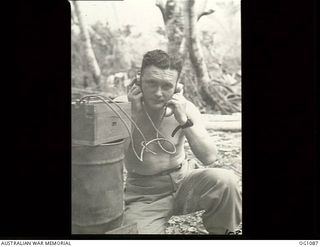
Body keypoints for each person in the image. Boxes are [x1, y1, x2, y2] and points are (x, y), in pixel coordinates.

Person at [120, 49, 241, 234]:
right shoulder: (120, 108)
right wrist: (134, 115)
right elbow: (109, 160)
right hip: (144, 194)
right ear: (138, 80)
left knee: (226, 181)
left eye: (167, 85)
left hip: (184, 180)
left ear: (177, 87)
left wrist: (183, 120)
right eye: (151, 83)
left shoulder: (184, 109)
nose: (159, 93)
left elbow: (209, 157)